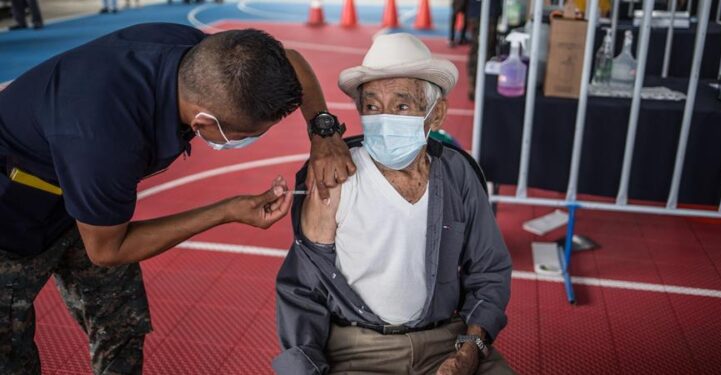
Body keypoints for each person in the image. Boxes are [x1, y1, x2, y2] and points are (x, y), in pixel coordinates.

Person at [0, 23, 354, 374]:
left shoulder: (205, 58)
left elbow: (289, 61)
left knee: (122, 322)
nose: (250, 140)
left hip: (81, 188)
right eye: (246, 135)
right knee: (10, 351)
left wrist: (323, 132)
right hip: (13, 212)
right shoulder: (106, 140)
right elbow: (107, 250)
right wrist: (225, 211)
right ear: (203, 122)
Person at [274, 33, 513, 375]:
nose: (383, 118)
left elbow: (489, 272)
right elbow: (301, 289)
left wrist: (471, 348)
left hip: (446, 339)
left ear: (436, 113)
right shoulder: (334, 178)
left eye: (401, 106)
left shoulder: (457, 174)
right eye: (371, 106)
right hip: (357, 349)